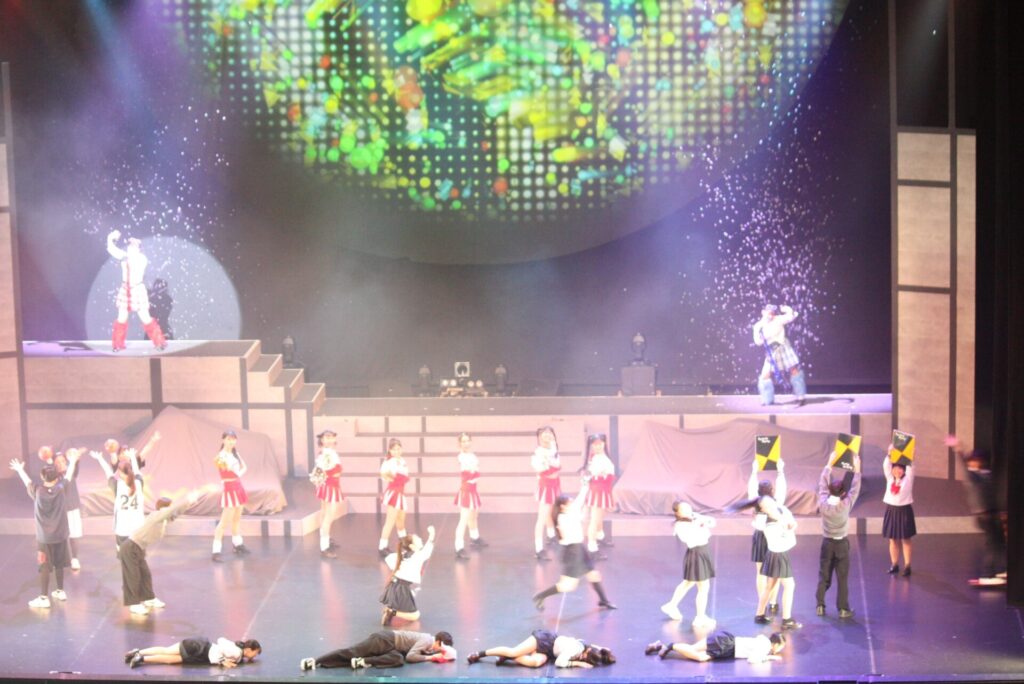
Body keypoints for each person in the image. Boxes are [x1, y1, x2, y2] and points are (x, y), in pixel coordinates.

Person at [10, 451, 79, 608]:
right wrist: (73, 461)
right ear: (57, 477)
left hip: (44, 538)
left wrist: (20, 470)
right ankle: (60, 591)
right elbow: (68, 476)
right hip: (61, 535)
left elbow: (27, 482)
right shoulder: (61, 489)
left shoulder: (38, 491)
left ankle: (43, 598)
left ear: (42, 478)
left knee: (45, 566)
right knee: (59, 564)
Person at [532, 489, 616, 611]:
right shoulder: (565, 518)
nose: (572, 503)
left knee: (593, 575)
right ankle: (540, 596)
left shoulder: (569, 513)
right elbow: (578, 504)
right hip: (572, 553)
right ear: (563, 507)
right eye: (570, 502)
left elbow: (579, 501)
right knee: (567, 585)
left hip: (579, 548)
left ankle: (603, 600)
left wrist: (585, 487)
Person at [119, 493, 200, 615]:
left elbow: (176, 512)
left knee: (145, 574)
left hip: (139, 548)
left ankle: (149, 598)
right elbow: (172, 510)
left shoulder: (163, 519)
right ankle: (134, 604)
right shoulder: (156, 516)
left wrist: (189, 503)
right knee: (133, 576)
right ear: (164, 508)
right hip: (130, 547)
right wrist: (186, 499)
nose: (170, 510)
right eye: (169, 507)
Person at [947, 435, 1007, 582]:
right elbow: (964, 467)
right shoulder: (972, 477)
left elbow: (992, 496)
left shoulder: (986, 475)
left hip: (993, 514)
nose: (974, 463)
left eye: (977, 460)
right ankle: (987, 574)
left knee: (1000, 543)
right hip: (984, 516)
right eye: (972, 461)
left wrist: (1000, 512)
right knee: (992, 544)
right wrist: (958, 449)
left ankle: (1002, 569)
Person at [815, 451, 861, 618]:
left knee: (824, 575)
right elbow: (855, 489)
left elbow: (822, 484)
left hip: (827, 544)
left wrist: (829, 463)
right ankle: (842, 609)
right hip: (841, 545)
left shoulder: (823, 504)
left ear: (830, 491)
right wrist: (857, 469)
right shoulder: (845, 505)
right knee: (842, 578)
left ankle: (820, 605)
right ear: (843, 493)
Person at [106, 229, 167, 351]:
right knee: (121, 317)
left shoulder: (141, 259)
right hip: (125, 289)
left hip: (137, 290)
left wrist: (125, 253)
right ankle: (117, 344)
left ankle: (159, 342)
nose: (131, 248)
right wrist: (110, 237)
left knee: (145, 317)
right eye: (130, 246)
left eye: (134, 247)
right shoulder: (125, 256)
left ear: (139, 249)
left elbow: (131, 260)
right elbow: (111, 249)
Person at [660, 501, 716, 628]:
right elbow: (692, 539)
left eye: (688, 507)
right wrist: (697, 524)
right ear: (678, 513)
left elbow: (712, 522)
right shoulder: (680, 526)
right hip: (697, 553)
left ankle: (671, 605)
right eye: (684, 509)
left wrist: (703, 521)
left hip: (703, 551)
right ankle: (700, 617)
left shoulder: (694, 517)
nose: (688, 509)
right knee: (703, 587)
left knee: (688, 583)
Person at [299, 630, 454, 670]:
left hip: (393, 647)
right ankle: (315, 661)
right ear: (438, 641)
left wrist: (434, 655)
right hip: (384, 640)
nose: (441, 651)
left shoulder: (430, 645)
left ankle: (362, 662)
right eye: (442, 647)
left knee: (397, 659)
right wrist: (431, 658)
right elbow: (411, 657)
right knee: (352, 652)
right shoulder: (427, 640)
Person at [755, 497, 801, 629]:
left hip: (775, 554)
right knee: (789, 586)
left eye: (770, 502)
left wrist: (791, 525)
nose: (770, 506)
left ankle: (759, 614)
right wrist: (788, 529)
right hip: (778, 554)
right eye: (766, 505)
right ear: (762, 509)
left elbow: (791, 522)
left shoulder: (780, 512)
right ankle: (787, 620)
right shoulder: (768, 523)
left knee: (770, 586)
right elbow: (785, 541)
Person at [747, 457, 786, 615]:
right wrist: (780, 470)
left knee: (760, 572)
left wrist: (753, 471)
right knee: (774, 572)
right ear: (772, 491)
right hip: (773, 537)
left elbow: (751, 488)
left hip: (760, 536)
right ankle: (773, 602)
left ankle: (762, 601)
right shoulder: (777, 501)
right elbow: (782, 489)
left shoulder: (755, 501)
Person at [90, 447, 145, 548]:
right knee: (137, 553)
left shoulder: (118, 485)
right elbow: (137, 472)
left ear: (120, 473)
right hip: (138, 527)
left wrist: (100, 458)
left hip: (122, 528)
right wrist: (132, 457)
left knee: (123, 553)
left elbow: (108, 473)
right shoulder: (139, 483)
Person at [467, 631, 616, 668]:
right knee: (514, 651)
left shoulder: (587, 646)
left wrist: (606, 655)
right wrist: (578, 663)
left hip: (549, 651)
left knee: (535, 663)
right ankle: (479, 654)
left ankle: (508, 657)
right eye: (584, 658)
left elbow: (602, 648)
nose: (583, 659)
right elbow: (559, 663)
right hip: (544, 640)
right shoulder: (574, 650)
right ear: (586, 653)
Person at [381, 526, 436, 626]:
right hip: (401, 589)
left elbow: (389, 560)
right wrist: (431, 535)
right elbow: (427, 551)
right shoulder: (417, 556)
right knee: (415, 616)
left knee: (405, 608)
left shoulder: (403, 555)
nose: (420, 539)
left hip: (393, 587)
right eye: (417, 539)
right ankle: (391, 612)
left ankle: (391, 611)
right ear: (412, 546)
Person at [752, 304, 806, 406]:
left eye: (772, 313)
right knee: (765, 375)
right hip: (772, 352)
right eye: (769, 313)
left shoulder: (778, 319)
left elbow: (791, 316)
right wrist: (760, 338)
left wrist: (786, 309)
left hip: (784, 348)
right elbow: (757, 342)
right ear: (763, 312)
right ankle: (767, 400)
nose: (770, 316)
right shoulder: (758, 326)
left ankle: (801, 396)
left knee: (793, 370)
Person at [212, 430, 249, 562]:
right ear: (223, 440)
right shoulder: (220, 457)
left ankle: (237, 544)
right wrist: (234, 474)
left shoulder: (235, 453)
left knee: (237, 518)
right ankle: (216, 551)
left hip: (238, 487)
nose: (231, 442)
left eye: (233, 439)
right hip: (230, 489)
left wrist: (238, 474)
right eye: (228, 439)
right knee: (224, 522)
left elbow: (243, 468)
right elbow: (226, 471)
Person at [645, 631, 786, 663]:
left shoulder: (763, 639)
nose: (781, 650)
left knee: (692, 648)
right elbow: (753, 660)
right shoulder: (765, 646)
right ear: (776, 644)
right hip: (726, 645)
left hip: (726, 639)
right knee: (701, 657)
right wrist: (769, 657)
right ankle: (671, 646)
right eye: (781, 646)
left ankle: (660, 645)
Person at [581, 433, 616, 557]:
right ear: (591, 446)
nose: (598, 446)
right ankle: (592, 548)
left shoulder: (601, 457)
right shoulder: (594, 459)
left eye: (600, 443)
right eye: (595, 444)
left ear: (604, 443)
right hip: (598, 491)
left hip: (603, 490)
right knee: (595, 520)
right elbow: (590, 476)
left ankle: (600, 537)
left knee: (599, 517)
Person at [311, 429, 343, 559]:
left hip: (329, 485)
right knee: (329, 515)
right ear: (322, 440)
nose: (329, 440)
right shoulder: (327, 454)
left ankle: (325, 539)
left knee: (325, 513)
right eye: (326, 437)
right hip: (330, 486)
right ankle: (324, 547)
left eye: (331, 437)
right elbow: (328, 470)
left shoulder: (327, 453)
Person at [126, 638, 261, 669]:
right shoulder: (237, 652)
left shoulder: (238, 651)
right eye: (256, 653)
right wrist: (222, 660)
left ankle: (140, 657)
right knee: (168, 652)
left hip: (199, 653)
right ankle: (138, 653)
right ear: (249, 649)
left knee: (170, 659)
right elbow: (220, 644)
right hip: (199, 649)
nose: (255, 656)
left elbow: (221, 639)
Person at [883, 446, 915, 576]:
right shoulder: (890, 479)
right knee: (893, 539)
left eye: (900, 468)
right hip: (891, 510)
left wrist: (910, 456)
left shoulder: (908, 479)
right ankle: (894, 564)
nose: (897, 470)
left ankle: (907, 566)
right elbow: (886, 465)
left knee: (906, 539)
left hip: (904, 510)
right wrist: (889, 453)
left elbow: (911, 468)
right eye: (895, 468)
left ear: (904, 470)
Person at [453, 432, 486, 559]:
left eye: (468, 440)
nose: (466, 443)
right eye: (463, 441)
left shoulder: (472, 456)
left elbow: (475, 471)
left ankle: (474, 538)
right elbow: (470, 473)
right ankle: (459, 547)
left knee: (474, 515)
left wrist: (474, 472)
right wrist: (473, 472)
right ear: (459, 444)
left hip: (473, 489)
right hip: (466, 490)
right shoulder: (461, 457)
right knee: (463, 519)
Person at [531, 425, 561, 560]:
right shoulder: (538, 454)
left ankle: (551, 535)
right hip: (546, 488)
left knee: (551, 512)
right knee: (541, 517)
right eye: (544, 433)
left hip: (555, 486)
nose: (548, 435)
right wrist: (552, 470)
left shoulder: (554, 450)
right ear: (539, 437)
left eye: (550, 433)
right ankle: (538, 549)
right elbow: (544, 472)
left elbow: (557, 468)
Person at [378, 438, 410, 559]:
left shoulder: (402, 461)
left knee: (400, 521)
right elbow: (384, 475)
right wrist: (394, 479)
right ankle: (382, 546)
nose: (397, 451)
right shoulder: (389, 462)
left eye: (398, 449)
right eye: (394, 449)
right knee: (390, 521)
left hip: (401, 493)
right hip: (394, 493)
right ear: (390, 450)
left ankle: (405, 545)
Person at [54, 449, 84, 570]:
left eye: (63, 461)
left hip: (72, 508)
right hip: (59, 510)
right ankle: (60, 558)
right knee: (59, 536)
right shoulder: (53, 477)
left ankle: (75, 558)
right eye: (58, 462)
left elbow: (74, 467)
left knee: (74, 534)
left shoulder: (71, 472)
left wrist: (76, 458)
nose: (61, 464)